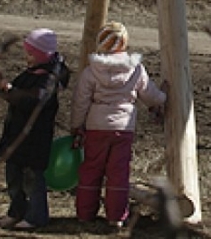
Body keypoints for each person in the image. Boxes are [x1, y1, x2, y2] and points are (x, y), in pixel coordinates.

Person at [70, 22, 167, 228]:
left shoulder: (91, 71)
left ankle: (85, 213)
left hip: (96, 127)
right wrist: (163, 97)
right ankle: (116, 216)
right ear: (125, 43)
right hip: (123, 128)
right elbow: (149, 95)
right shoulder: (136, 69)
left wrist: (77, 125)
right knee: (118, 172)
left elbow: (81, 101)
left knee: (91, 169)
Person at [0, 28, 71, 230]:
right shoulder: (31, 73)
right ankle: (16, 211)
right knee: (13, 176)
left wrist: (11, 91)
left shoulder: (49, 79)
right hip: (17, 134)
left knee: (32, 179)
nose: (27, 58)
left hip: (35, 138)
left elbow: (34, 101)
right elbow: (18, 93)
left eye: (31, 54)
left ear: (42, 55)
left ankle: (36, 216)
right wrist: (4, 89)